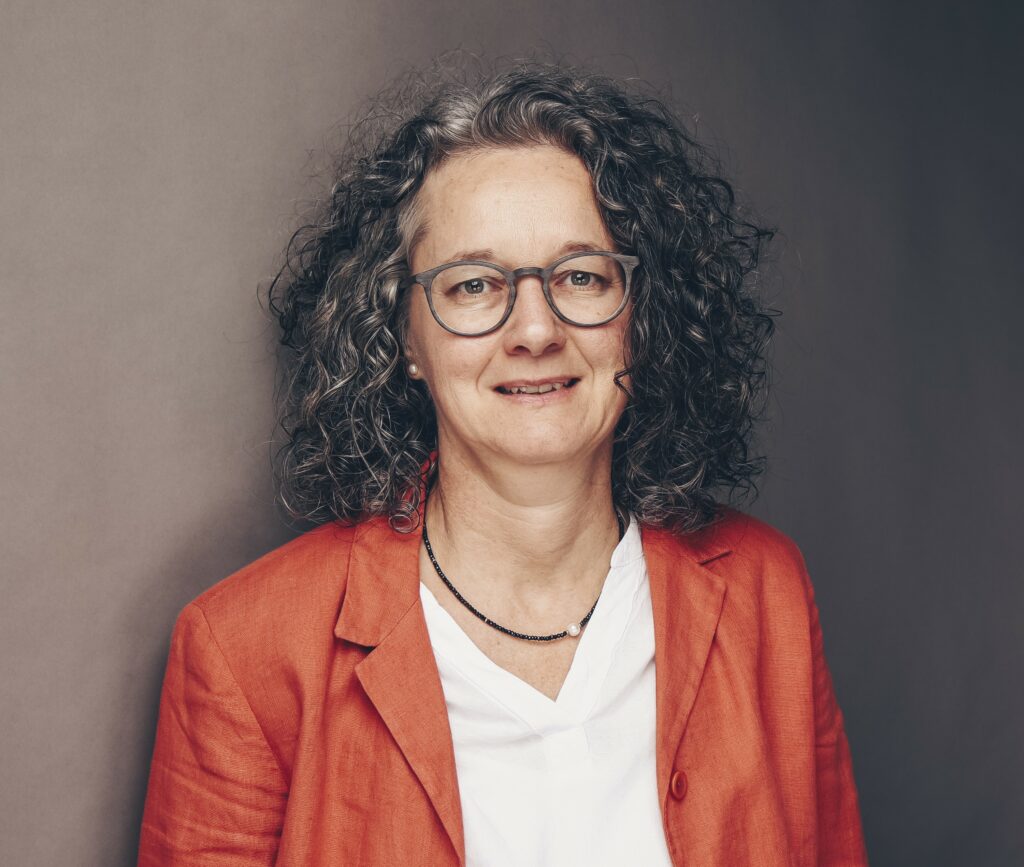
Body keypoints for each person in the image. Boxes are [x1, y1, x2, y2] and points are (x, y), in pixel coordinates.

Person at [138, 57, 868, 866]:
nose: (535, 330)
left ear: (640, 316)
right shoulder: (243, 650)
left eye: (581, 276)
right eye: (474, 286)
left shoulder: (768, 591)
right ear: (405, 335)